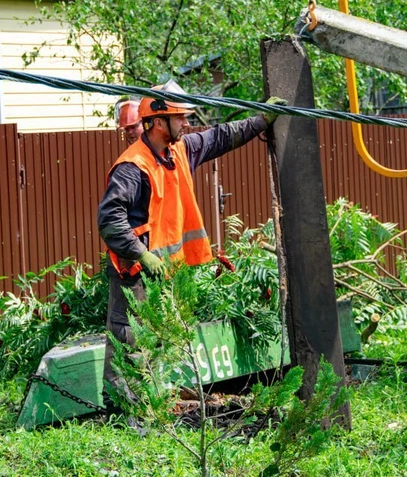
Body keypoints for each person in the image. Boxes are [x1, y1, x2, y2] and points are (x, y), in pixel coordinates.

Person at [97, 80, 285, 407]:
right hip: (136, 274)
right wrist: (144, 255)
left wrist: (261, 119)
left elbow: (221, 137)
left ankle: (151, 411)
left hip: (165, 273)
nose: (187, 123)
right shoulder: (132, 167)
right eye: (180, 118)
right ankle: (123, 414)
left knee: (156, 342)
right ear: (157, 122)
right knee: (129, 341)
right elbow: (109, 220)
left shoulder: (181, 151)